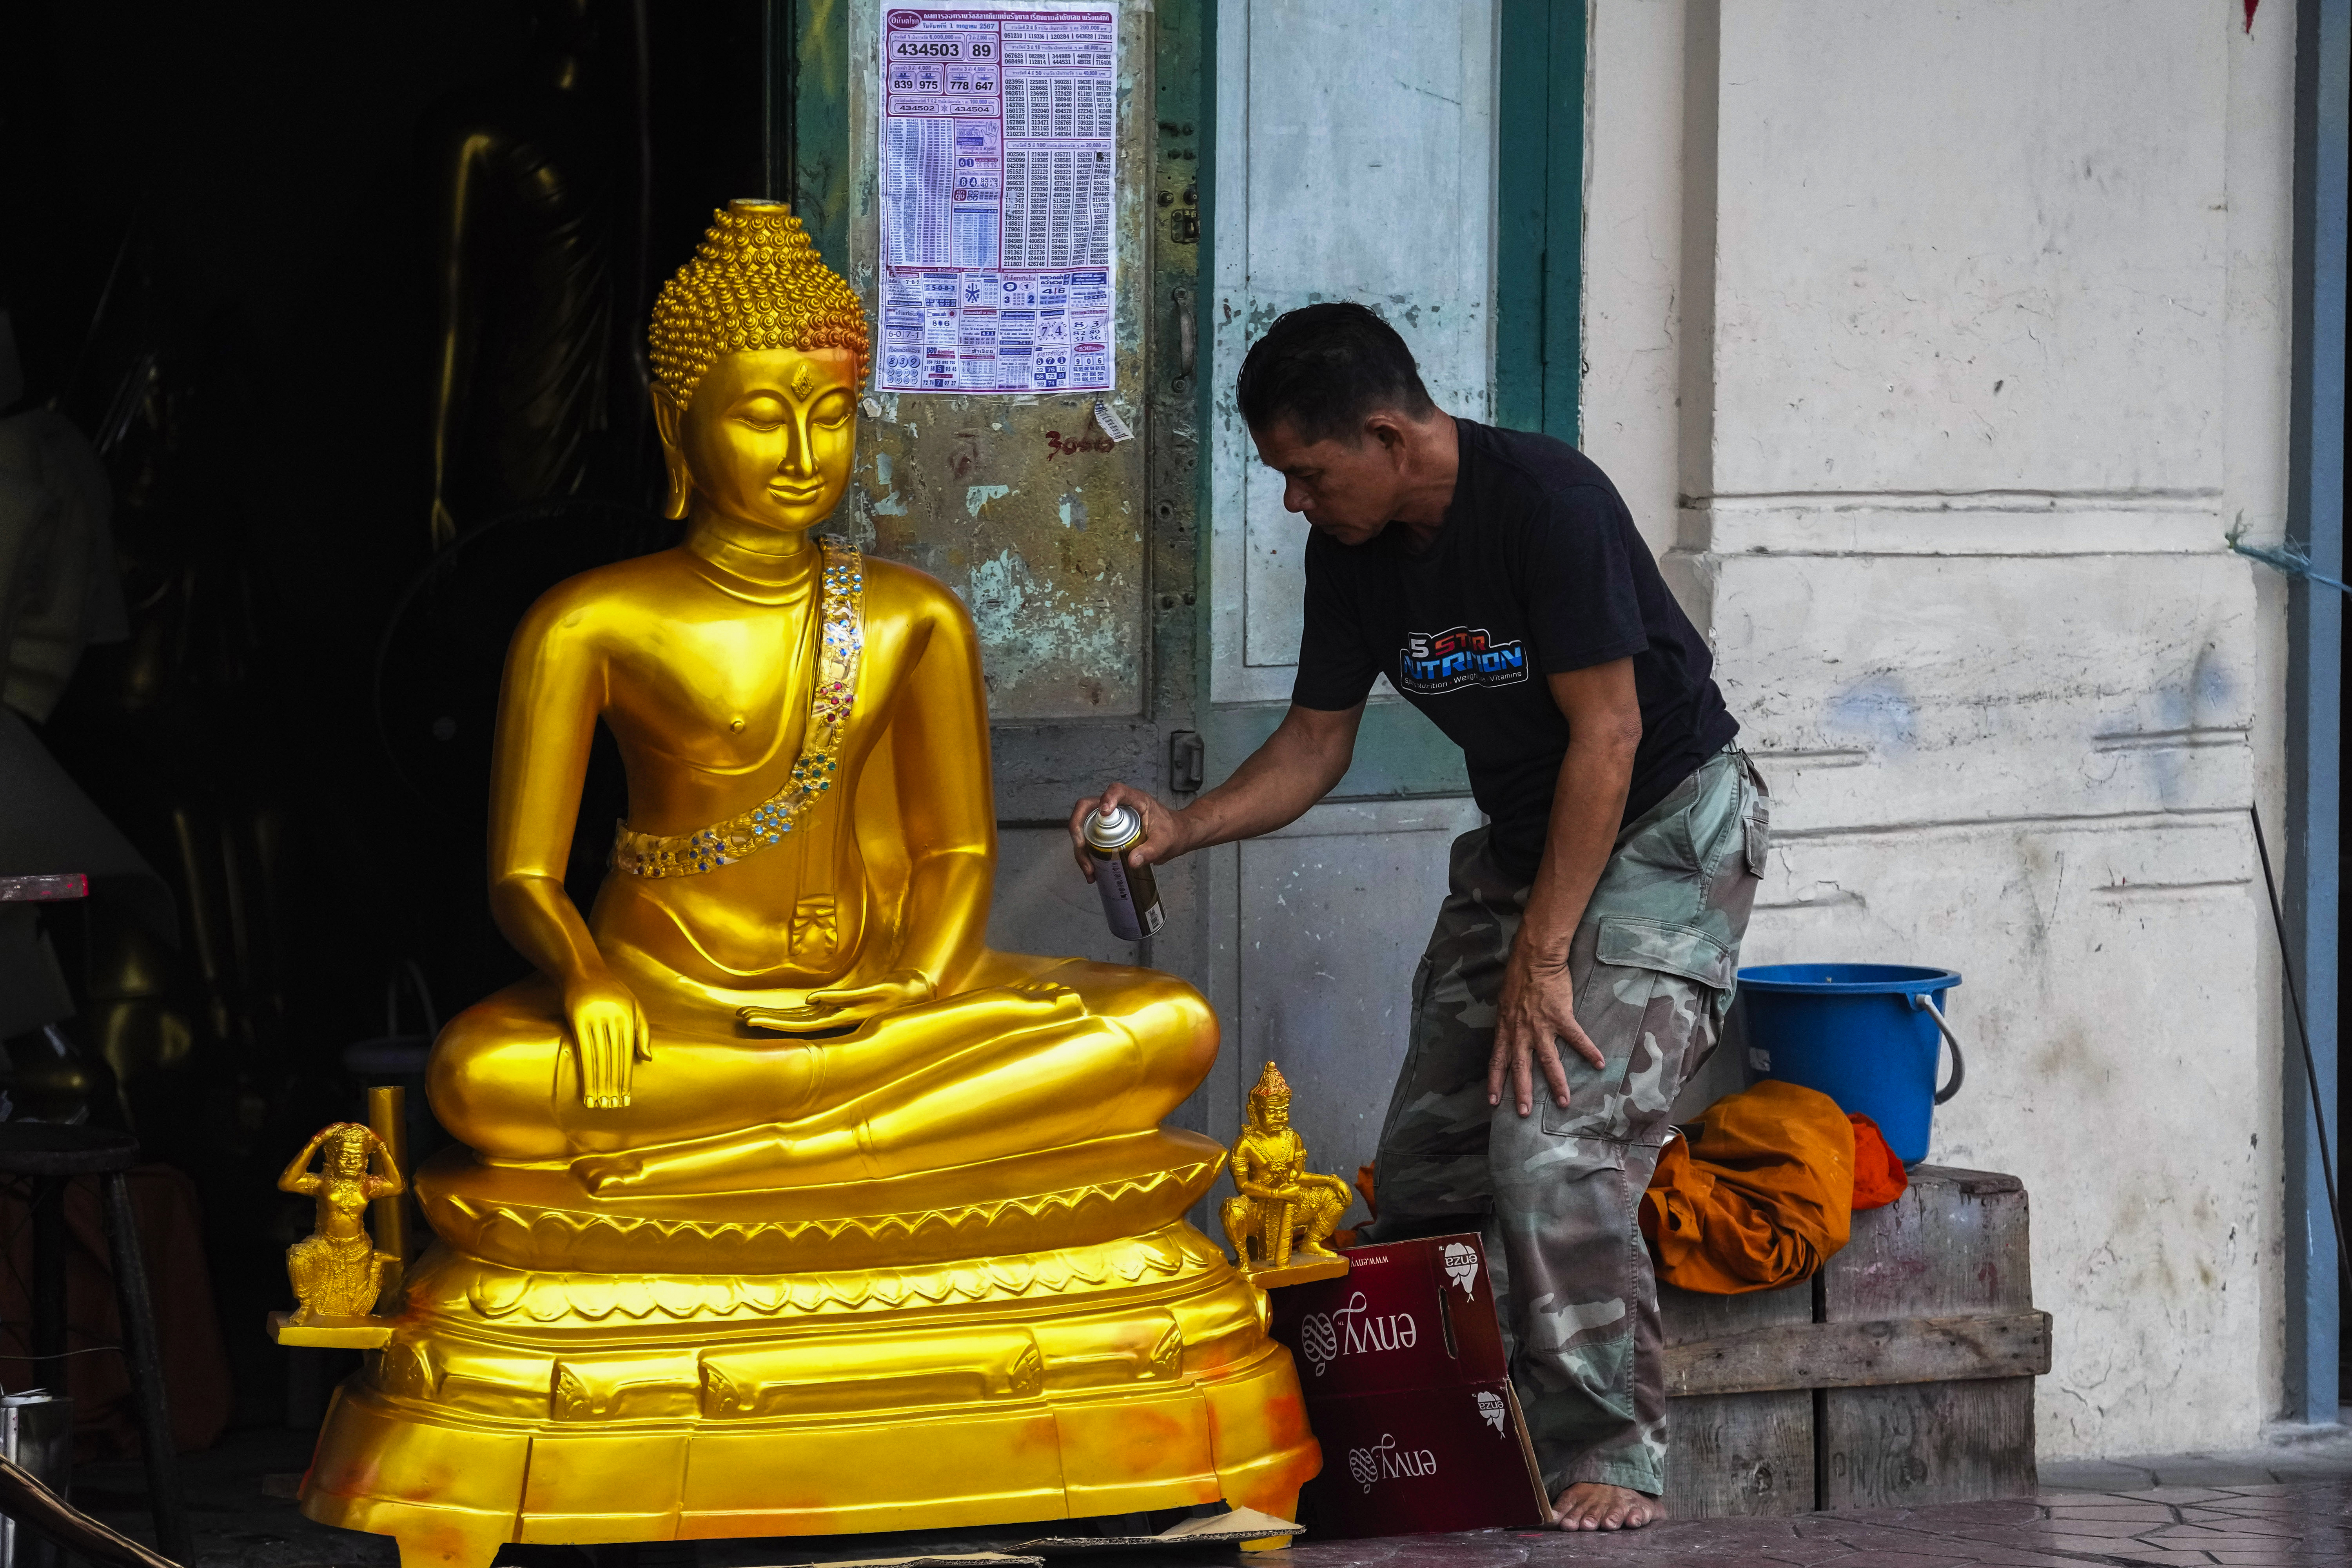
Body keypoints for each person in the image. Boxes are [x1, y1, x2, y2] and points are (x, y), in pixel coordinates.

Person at [1070, 303, 1768, 1531]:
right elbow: (1315, 744)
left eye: (1307, 472)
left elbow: (1609, 738)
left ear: (1391, 435)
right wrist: (1184, 824)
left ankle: (1609, 1447)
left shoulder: (1547, 504)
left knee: (1555, 1137)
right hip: (1528, 842)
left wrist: (1544, 958)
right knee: (1434, 1161)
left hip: (1663, 828)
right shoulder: (1353, 554)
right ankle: (1452, 1434)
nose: (1294, 501)